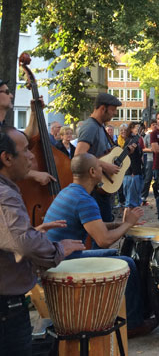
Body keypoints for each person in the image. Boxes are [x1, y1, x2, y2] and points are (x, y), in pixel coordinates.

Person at [44, 153, 156, 338]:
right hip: (62, 262)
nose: (103, 169)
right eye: (100, 166)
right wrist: (128, 224)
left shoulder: (70, 191)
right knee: (127, 262)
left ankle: (128, 312)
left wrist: (123, 224)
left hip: (56, 256)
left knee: (113, 254)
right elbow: (103, 239)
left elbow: (95, 226)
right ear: (93, 172)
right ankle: (134, 324)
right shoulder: (84, 200)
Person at [0, 126, 85, 354]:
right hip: (6, 310)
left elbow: (10, 237)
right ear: (7, 158)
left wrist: (34, 231)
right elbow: (23, 244)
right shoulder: (5, 194)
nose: (31, 155)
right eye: (26, 150)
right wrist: (57, 249)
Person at [75, 93, 122, 223]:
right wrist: (106, 166)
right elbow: (79, 155)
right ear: (102, 108)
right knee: (100, 235)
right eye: (112, 110)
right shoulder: (90, 126)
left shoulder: (99, 126)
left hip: (101, 187)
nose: (114, 114)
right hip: (94, 190)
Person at [123, 122, 143, 208]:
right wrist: (132, 171)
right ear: (131, 129)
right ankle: (129, 221)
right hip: (131, 174)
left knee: (133, 201)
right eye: (136, 128)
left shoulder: (135, 140)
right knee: (131, 202)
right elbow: (126, 157)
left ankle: (132, 220)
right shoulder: (130, 140)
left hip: (135, 172)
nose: (139, 129)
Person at [141, 119, 157, 204]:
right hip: (150, 159)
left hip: (158, 160)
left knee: (158, 178)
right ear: (150, 126)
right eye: (153, 124)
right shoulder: (147, 136)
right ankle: (143, 196)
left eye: (156, 124)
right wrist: (152, 149)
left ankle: (158, 196)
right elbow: (143, 148)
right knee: (148, 178)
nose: (155, 126)